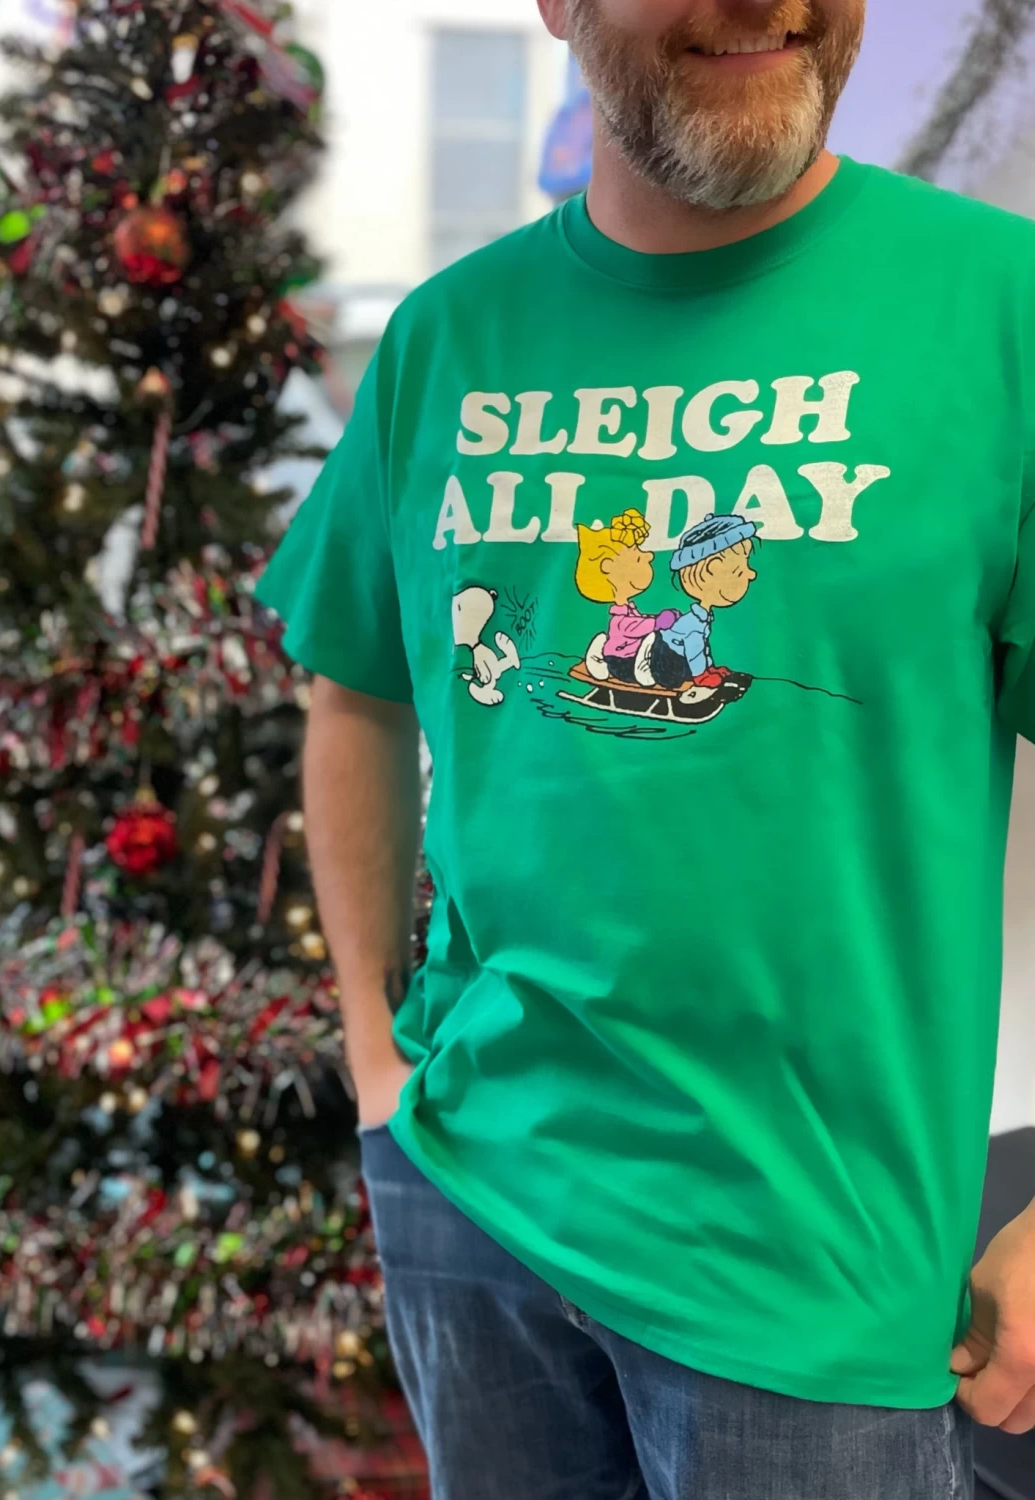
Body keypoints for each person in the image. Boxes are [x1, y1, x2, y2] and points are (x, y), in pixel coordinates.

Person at [254, 1, 1035, 1495]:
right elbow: (355, 689)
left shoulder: (1006, 311)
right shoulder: (444, 342)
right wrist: (373, 1060)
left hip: (820, 1279)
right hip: (470, 1184)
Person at [641, 512, 758, 691]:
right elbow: (694, 650)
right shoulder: (693, 623)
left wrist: (710, 669)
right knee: (676, 679)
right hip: (667, 663)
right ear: (712, 569)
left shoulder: (701, 618)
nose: (752, 574)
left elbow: (701, 648)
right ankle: (645, 660)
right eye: (739, 570)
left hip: (678, 657)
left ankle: (704, 671)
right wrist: (701, 676)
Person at [574, 508, 682, 683]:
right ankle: (643, 667)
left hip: (626, 658)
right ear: (608, 567)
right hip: (624, 663)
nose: (649, 556)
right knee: (655, 640)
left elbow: (638, 622)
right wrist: (656, 622)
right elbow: (632, 627)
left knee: (658, 638)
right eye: (637, 558)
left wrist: (658, 619)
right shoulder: (620, 619)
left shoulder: (629, 611)